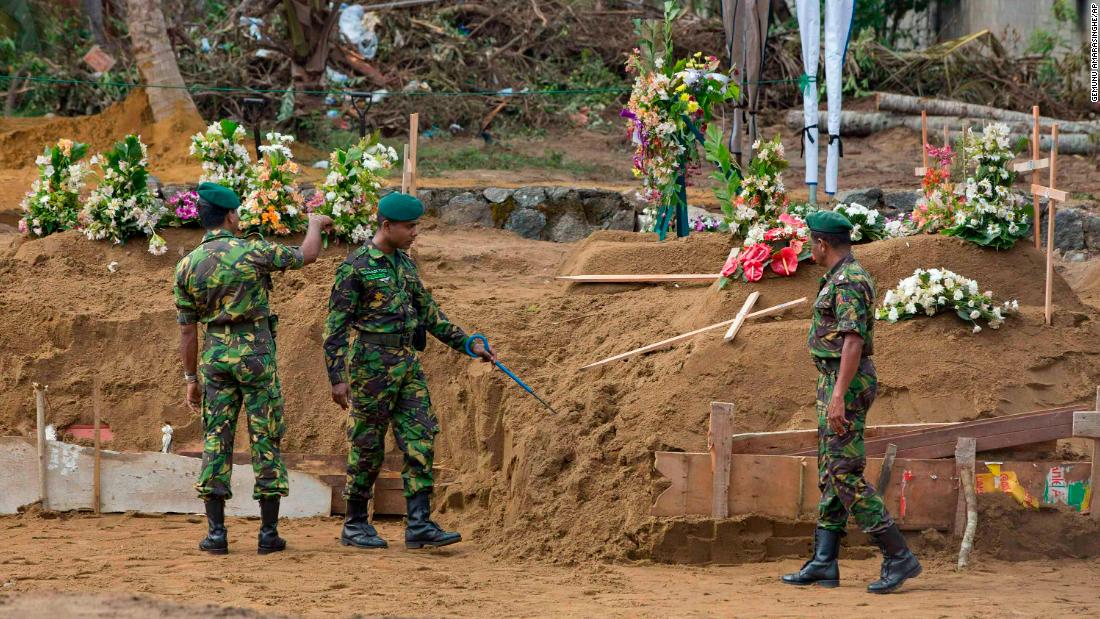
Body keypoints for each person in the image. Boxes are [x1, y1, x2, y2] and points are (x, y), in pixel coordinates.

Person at [323, 192, 493, 550]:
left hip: (407, 365)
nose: (415, 232)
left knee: (421, 438)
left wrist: (467, 344)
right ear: (387, 226)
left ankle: (418, 524)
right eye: (410, 226)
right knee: (367, 445)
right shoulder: (355, 267)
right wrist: (337, 378)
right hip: (371, 366)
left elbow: (429, 314)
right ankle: (355, 523)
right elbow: (335, 328)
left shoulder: (405, 264)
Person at [174, 181, 333, 555]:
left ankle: (216, 535)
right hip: (256, 355)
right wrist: (314, 223)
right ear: (230, 215)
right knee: (265, 437)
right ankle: (267, 534)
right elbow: (306, 255)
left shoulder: (186, 266)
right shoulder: (252, 251)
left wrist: (190, 379)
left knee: (216, 440)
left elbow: (186, 331)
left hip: (214, 358)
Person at [781, 210, 921, 594]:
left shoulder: (849, 282)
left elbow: (853, 341)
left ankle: (899, 555)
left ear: (822, 244)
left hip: (846, 384)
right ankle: (824, 562)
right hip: (833, 382)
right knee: (831, 470)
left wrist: (839, 395)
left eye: (812, 242)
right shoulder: (839, 278)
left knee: (844, 473)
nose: (810, 248)